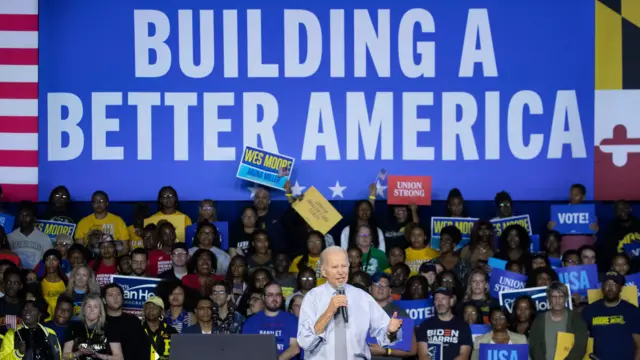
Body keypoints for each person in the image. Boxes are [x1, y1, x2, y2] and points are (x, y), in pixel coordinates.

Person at [297, 246, 403, 360]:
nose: (340, 272)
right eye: (335, 267)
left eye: (344, 266)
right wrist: (328, 312)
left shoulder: (362, 297)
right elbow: (305, 342)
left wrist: (391, 331)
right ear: (323, 271)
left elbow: (385, 336)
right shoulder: (313, 297)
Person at [582, 271, 640, 360]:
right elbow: (582, 342)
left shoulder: (632, 311)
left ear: (621, 288)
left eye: (614, 284)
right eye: (607, 283)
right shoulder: (589, 311)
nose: (610, 287)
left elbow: (639, 346)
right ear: (602, 287)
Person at [529, 282, 587, 360]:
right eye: (554, 297)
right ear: (549, 299)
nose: (557, 300)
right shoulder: (539, 320)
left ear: (566, 298)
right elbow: (534, 346)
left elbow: (580, 346)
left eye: (561, 296)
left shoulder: (576, 319)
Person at [242, 282, 300, 359]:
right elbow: (247, 350)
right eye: (270, 295)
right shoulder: (251, 322)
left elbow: (294, 348)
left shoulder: (292, 320)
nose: (274, 299)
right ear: (263, 298)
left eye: (278, 295)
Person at [368, 273, 417, 359]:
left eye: (384, 286)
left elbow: (413, 350)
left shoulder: (401, 314)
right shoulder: (360, 312)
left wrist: (385, 351)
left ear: (390, 291)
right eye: (377, 285)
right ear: (370, 289)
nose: (380, 288)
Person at [416, 287, 472, 360]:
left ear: (451, 301)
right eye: (437, 299)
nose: (440, 302)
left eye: (443, 298)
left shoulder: (462, 326)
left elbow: (464, 355)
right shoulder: (425, 325)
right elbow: (423, 355)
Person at [62, 294, 123, 360]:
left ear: (100, 311)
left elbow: (119, 358)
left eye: (96, 307)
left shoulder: (110, 328)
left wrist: (100, 356)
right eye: (89, 306)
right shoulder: (73, 327)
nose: (92, 310)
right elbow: (64, 356)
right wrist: (78, 353)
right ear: (84, 310)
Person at [103, 284, 148, 360]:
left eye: (118, 294)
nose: (115, 298)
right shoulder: (101, 321)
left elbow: (143, 349)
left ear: (123, 298)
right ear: (103, 300)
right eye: (111, 295)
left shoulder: (134, 321)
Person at [7, 201, 52, 269]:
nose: (23, 218)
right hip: (16, 276)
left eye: (27, 215)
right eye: (21, 215)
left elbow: (48, 260)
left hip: (36, 276)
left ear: (34, 218)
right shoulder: (10, 237)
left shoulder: (44, 238)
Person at [141, 296, 177, 360]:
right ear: (144, 311)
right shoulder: (136, 330)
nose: (150, 310)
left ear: (162, 311)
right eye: (148, 307)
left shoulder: (171, 331)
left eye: (154, 307)